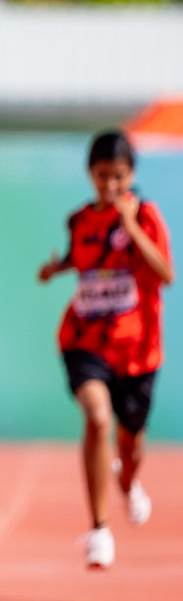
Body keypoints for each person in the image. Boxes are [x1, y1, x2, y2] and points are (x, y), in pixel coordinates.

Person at [39, 129, 174, 569]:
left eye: (118, 176)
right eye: (101, 176)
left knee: (130, 444)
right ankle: (99, 530)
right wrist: (56, 269)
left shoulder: (147, 215)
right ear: (90, 175)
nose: (110, 186)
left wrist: (131, 223)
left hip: (137, 349)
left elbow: (165, 273)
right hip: (85, 341)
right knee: (97, 417)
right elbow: (83, 261)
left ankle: (129, 482)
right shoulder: (79, 220)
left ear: (131, 174)